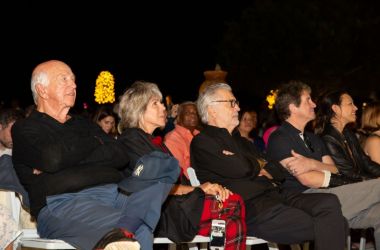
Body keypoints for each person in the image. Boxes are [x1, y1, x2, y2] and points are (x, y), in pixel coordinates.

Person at [11, 60, 175, 250]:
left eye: (73, 80)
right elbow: (53, 158)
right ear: (42, 90)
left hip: (114, 196)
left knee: (166, 165)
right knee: (138, 231)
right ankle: (120, 232)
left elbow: (119, 155)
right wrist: (95, 143)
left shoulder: (83, 124)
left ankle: (122, 230)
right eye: (64, 79)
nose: (73, 85)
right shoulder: (26, 128)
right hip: (65, 203)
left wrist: (68, 158)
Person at [191, 82, 347, 250]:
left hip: (276, 195)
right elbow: (242, 168)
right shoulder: (203, 142)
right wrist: (257, 166)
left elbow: (278, 171)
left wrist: (250, 164)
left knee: (329, 203)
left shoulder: (243, 142)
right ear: (212, 109)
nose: (237, 108)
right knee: (328, 224)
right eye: (232, 103)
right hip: (246, 207)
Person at [117, 81, 247, 249]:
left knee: (228, 211)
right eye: (155, 103)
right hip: (160, 211)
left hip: (174, 205)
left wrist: (204, 188)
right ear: (139, 109)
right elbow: (155, 184)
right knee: (231, 204)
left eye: (162, 103)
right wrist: (200, 189)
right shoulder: (132, 139)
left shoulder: (154, 142)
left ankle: (218, 245)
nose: (164, 108)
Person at [266, 81, 380, 249]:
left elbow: (335, 169)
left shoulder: (313, 138)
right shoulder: (279, 138)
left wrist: (311, 163)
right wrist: (321, 169)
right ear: (293, 107)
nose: (314, 104)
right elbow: (308, 179)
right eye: (308, 100)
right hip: (306, 198)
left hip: (332, 195)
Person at [314, 90, 380, 179]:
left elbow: (366, 162)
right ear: (336, 109)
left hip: (358, 184)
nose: (356, 108)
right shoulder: (328, 138)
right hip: (345, 188)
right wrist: (373, 180)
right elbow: (347, 173)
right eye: (350, 104)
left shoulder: (348, 133)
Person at [164, 101, 201, 179]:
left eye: (195, 113)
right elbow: (184, 174)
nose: (193, 115)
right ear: (179, 118)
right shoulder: (172, 139)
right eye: (187, 113)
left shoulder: (200, 135)